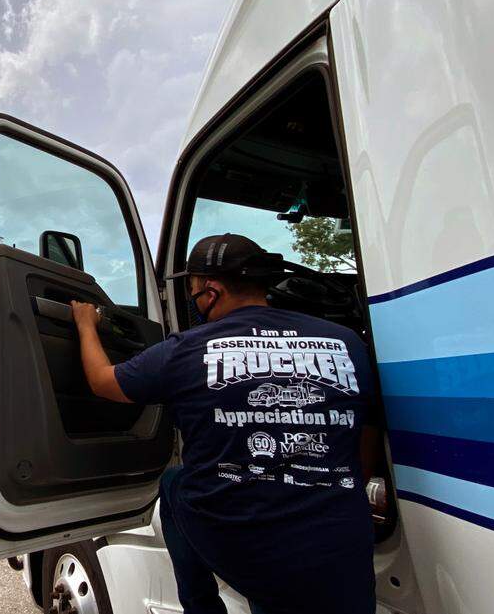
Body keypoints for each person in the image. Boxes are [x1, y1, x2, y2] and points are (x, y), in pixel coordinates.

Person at [70, 233, 379, 614]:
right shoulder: (347, 342)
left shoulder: (186, 349)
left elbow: (102, 381)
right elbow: (367, 432)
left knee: (174, 483)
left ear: (212, 291)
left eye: (193, 290)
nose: (194, 299)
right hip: (342, 538)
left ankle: (201, 606)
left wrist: (86, 325)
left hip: (246, 540)